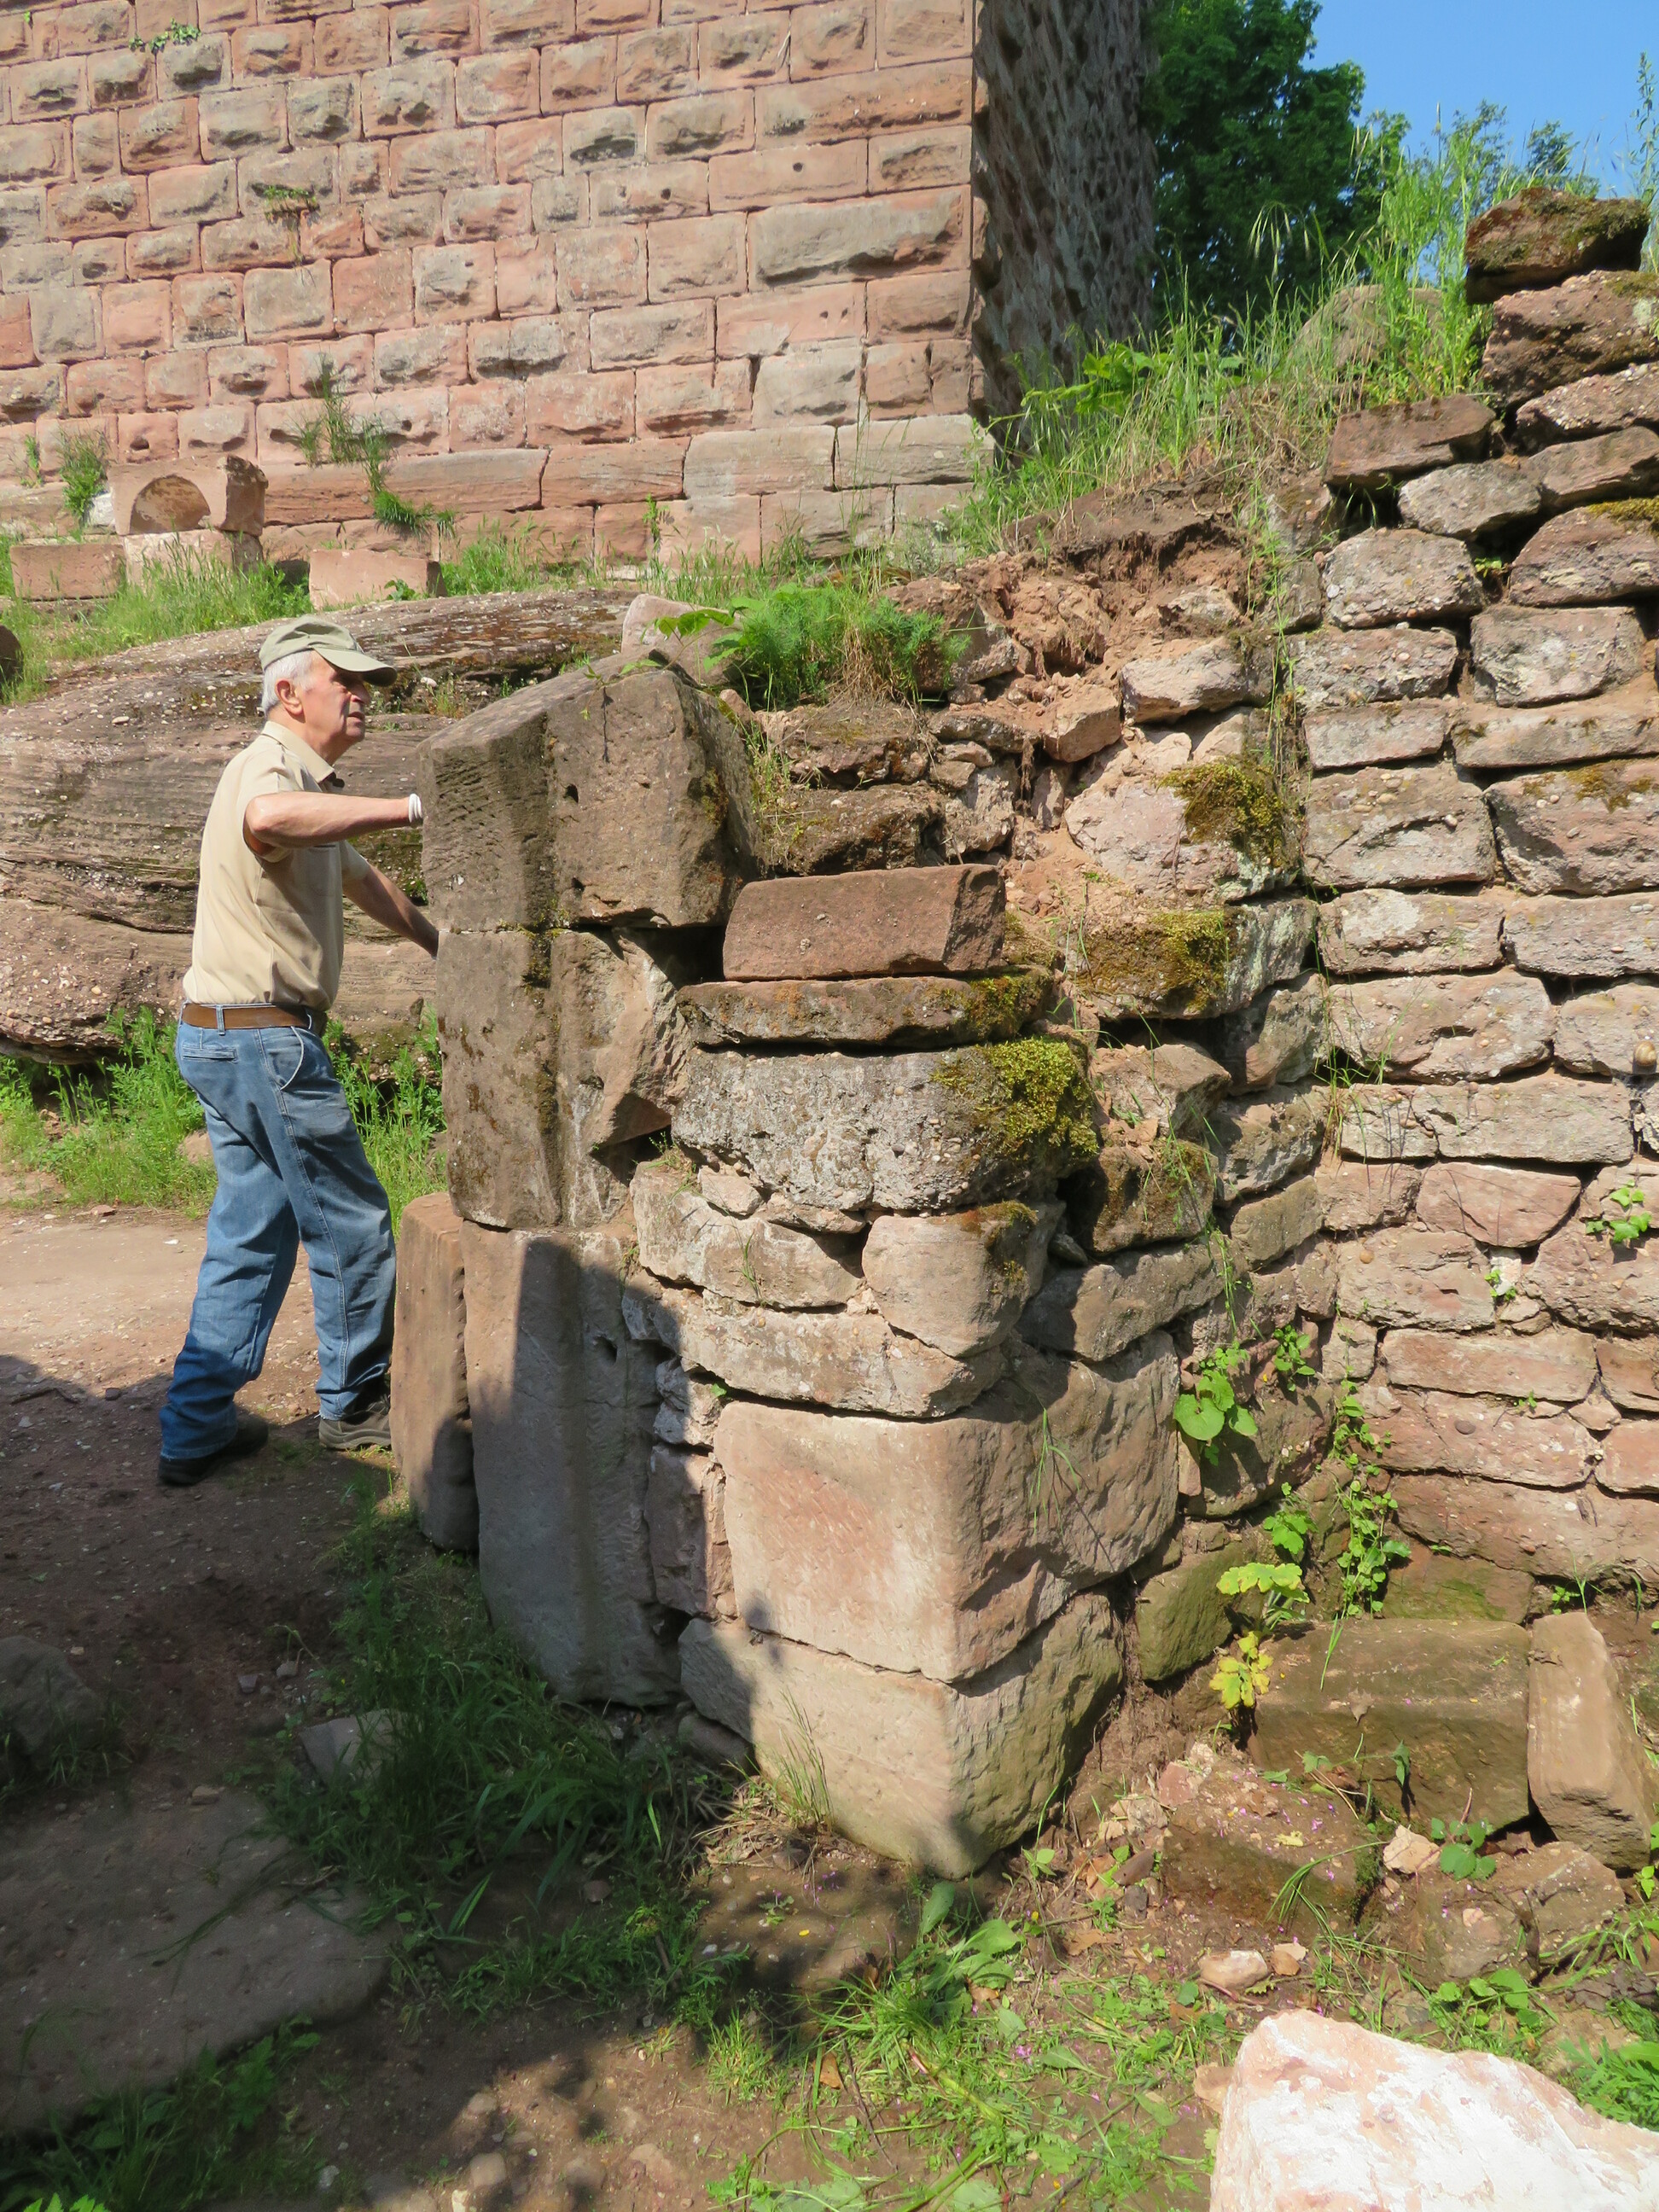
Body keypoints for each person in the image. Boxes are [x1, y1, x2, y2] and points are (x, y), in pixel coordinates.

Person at [157, 615, 439, 1488]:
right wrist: (412, 807)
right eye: (342, 681)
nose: (360, 697)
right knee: (351, 1222)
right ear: (288, 693)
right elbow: (270, 816)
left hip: (219, 1034)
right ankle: (354, 1407)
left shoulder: (306, 784)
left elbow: (362, 879)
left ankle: (195, 1426)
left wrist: (442, 943)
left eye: (364, 685)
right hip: (262, 1044)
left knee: (252, 1230)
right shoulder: (269, 768)